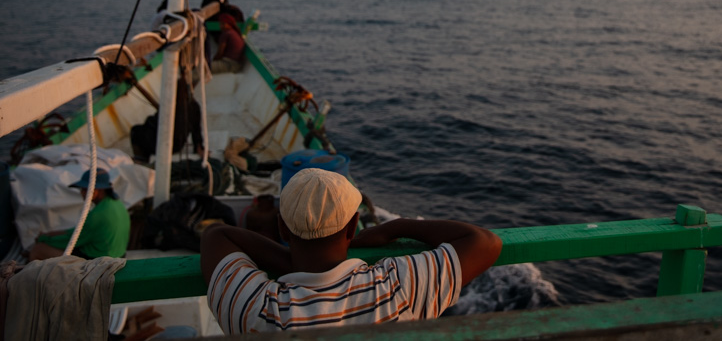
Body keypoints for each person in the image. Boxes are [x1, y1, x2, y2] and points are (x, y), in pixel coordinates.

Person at [201, 168, 502, 334]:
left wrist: (291, 262)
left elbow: (217, 235)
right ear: (353, 226)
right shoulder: (397, 287)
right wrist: (396, 227)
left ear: (282, 229)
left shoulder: (258, 309)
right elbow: (486, 242)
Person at [28, 169, 130, 261]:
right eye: (81, 189)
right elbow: (76, 232)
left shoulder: (97, 215)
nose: (82, 193)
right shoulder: (116, 203)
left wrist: (44, 239)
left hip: (99, 261)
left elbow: (71, 241)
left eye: (85, 189)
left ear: (99, 189)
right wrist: (50, 234)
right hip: (118, 255)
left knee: (38, 250)